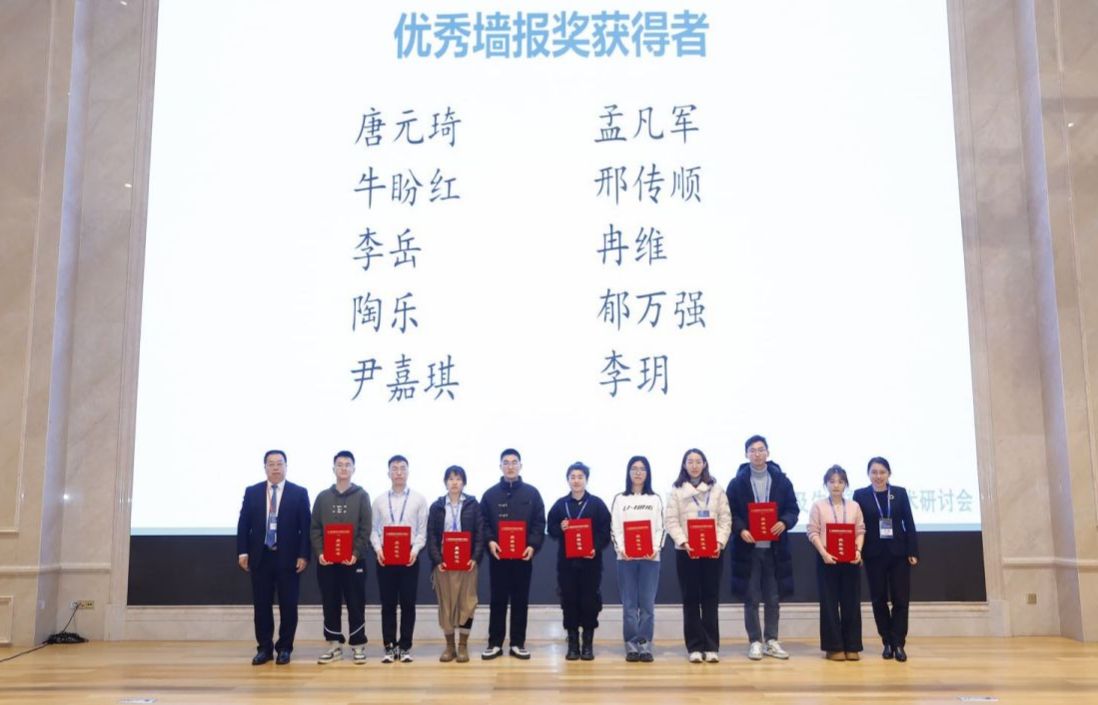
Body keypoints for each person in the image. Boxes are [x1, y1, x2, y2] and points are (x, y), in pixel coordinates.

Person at [727, 434, 800, 661]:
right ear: (746, 454)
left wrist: (784, 522)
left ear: (768, 452)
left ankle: (771, 640)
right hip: (748, 549)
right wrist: (741, 529)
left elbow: (793, 509)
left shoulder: (782, 481)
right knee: (751, 597)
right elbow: (730, 513)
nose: (757, 454)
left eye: (761, 450)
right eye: (752, 450)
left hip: (775, 549)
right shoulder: (737, 483)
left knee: (773, 597)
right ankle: (755, 641)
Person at [236, 449, 311, 665]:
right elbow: (244, 524)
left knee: (288, 605)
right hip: (260, 557)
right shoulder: (252, 492)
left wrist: (303, 555)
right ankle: (264, 648)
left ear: (286, 466)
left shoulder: (299, 492)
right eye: (271, 464)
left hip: (288, 558)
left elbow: (305, 527)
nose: (276, 468)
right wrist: (243, 551)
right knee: (261, 605)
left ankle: (285, 648)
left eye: (280, 463)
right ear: (265, 467)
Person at [664, 448, 732, 663]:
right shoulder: (676, 491)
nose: (694, 465)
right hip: (687, 552)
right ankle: (694, 646)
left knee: (711, 598)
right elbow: (671, 521)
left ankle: (711, 646)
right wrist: (684, 542)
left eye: (698, 461)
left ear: (704, 464)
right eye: (690, 461)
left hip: (713, 552)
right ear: (684, 465)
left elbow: (725, 519)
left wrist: (719, 542)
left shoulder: (717, 489)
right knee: (690, 599)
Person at [480, 448, 546, 660]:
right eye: (506, 463)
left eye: (514, 462)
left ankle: (518, 643)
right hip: (498, 557)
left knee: (520, 600)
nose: (510, 466)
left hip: (523, 557)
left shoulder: (532, 493)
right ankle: (495, 643)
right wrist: (490, 541)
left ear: (520, 465)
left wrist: (532, 545)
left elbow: (539, 523)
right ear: (500, 466)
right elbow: (483, 523)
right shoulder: (489, 495)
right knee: (497, 600)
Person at [853, 456, 919, 662]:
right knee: (878, 599)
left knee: (901, 599)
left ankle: (898, 642)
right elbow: (857, 526)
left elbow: (909, 523)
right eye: (874, 472)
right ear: (868, 474)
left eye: (882, 472)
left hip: (899, 553)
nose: (878, 476)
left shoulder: (899, 493)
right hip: (873, 554)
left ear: (889, 473)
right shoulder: (860, 495)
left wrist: (913, 551)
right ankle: (887, 642)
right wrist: (857, 551)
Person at [309, 450, 372, 664]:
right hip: (327, 563)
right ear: (333, 468)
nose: (343, 468)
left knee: (356, 603)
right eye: (340, 464)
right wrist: (320, 553)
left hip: (354, 562)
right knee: (330, 602)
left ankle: (358, 645)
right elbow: (315, 528)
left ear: (353, 469)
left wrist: (355, 553)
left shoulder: (362, 495)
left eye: (347, 465)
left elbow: (365, 528)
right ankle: (334, 645)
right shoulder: (322, 497)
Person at [547, 462, 612, 661]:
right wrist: (561, 527)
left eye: (580, 477)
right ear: (568, 480)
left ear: (586, 480)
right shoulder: (560, 504)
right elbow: (551, 528)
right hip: (566, 564)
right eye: (573, 477)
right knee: (569, 601)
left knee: (589, 602)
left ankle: (588, 644)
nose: (576, 481)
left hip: (590, 563)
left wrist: (595, 547)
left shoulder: (597, 504)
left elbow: (605, 531)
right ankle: (573, 643)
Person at [370, 454, 428, 663]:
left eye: (402, 468)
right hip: (385, 557)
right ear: (388, 473)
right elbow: (374, 530)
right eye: (394, 469)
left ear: (408, 472)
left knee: (408, 604)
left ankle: (404, 646)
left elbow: (422, 531)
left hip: (409, 557)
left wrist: (415, 550)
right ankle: (389, 646)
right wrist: (378, 549)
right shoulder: (379, 500)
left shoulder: (419, 499)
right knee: (388, 604)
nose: (399, 473)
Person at [806, 465, 866, 661]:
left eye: (840, 481)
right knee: (829, 604)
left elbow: (860, 531)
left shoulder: (854, 506)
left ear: (846, 484)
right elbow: (812, 531)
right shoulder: (818, 506)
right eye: (832, 481)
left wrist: (858, 551)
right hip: (827, 559)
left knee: (851, 603)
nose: (836, 485)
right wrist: (823, 553)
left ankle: (852, 646)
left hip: (851, 559)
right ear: (826, 484)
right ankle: (833, 647)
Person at [426, 465, 484, 663]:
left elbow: (480, 534)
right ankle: (450, 646)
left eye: (458, 479)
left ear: (464, 482)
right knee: (446, 604)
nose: (454, 483)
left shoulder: (473, 505)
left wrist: (474, 558)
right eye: (450, 479)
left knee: (467, 604)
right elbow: (432, 536)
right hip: (444, 563)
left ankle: (463, 646)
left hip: (467, 562)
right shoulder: (436, 506)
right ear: (445, 482)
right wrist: (438, 560)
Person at [610, 455, 665, 662]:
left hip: (651, 559)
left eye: (642, 468)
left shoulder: (655, 499)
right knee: (629, 604)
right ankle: (631, 644)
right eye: (634, 468)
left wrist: (655, 548)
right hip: (625, 559)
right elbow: (615, 527)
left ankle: (645, 643)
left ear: (647, 473)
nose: (638, 472)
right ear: (628, 472)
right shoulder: (620, 499)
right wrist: (622, 549)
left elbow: (660, 528)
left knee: (648, 605)